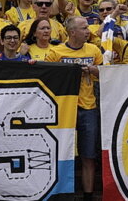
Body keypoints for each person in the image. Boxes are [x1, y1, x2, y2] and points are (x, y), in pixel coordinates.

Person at [52, 16, 103, 201]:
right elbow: (48, 80)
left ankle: (88, 196)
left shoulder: (94, 50)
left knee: (88, 155)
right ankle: (60, 194)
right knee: (60, 154)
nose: (88, 31)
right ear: (72, 32)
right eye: (84, 28)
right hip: (64, 109)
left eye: (87, 27)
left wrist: (92, 69)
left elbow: (105, 74)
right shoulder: (55, 52)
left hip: (88, 108)